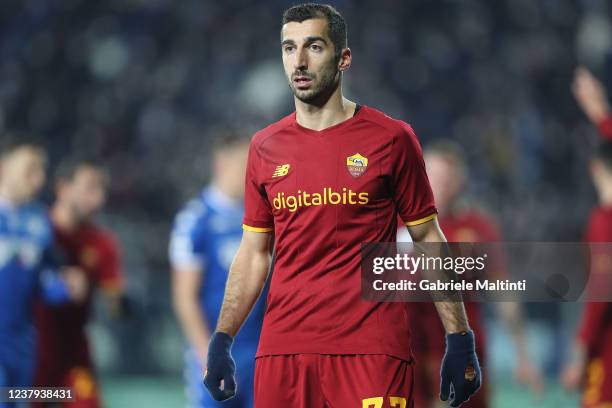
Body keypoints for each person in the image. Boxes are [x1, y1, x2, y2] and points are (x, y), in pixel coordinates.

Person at [203, 4, 481, 407]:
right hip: (284, 352)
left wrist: (459, 337)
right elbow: (254, 252)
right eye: (288, 48)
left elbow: (428, 238)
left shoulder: (391, 139)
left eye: (313, 46)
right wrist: (222, 337)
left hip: (371, 351)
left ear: (343, 58)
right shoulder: (264, 148)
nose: (298, 61)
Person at [398, 142, 543, 408]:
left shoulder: (477, 229)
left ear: (460, 183)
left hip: (463, 352)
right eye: (433, 177)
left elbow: (503, 291)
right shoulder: (394, 223)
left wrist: (523, 355)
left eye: (446, 179)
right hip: (409, 354)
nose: (438, 186)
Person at [170, 133, 264, 408]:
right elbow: (184, 296)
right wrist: (204, 351)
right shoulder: (196, 219)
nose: (252, 173)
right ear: (221, 163)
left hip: (258, 352)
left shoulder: (260, 216)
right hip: (217, 348)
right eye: (245, 164)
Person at [33, 157, 125, 408]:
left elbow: (116, 304)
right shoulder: (31, 231)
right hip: (29, 359)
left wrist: (121, 304)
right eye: (90, 188)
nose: (99, 199)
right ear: (63, 188)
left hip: (72, 362)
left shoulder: (102, 244)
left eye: (101, 189)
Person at [0, 141, 86, 406]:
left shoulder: (38, 221)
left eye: (40, 171)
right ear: (4, 168)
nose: (37, 179)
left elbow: (43, 281)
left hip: (23, 342)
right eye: (29, 170)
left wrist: (68, 285)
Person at [560, 67, 612, 407]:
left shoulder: (604, 221)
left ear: (594, 168)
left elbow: (600, 293)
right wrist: (602, 116)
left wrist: (579, 353)